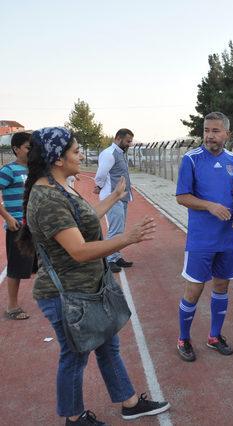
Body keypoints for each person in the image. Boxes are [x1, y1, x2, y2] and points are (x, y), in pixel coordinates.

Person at [20, 127, 169, 424]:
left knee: (108, 346)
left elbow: (84, 221)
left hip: (88, 288)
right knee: (75, 357)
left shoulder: (60, 186)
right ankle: (74, 419)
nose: (82, 156)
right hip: (68, 295)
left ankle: (128, 402)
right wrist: (128, 239)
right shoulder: (47, 197)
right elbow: (79, 250)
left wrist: (113, 197)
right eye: (76, 151)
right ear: (57, 159)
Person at [175, 112, 233, 361]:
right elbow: (181, 197)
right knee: (194, 289)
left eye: (216, 131)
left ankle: (214, 337)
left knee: (221, 286)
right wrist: (209, 206)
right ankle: (183, 338)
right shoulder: (191, 160)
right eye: (206, 130)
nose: (209, 136)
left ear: (227, 134)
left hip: (227, 238)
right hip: (201, 239)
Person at [0, 132, 36, 320]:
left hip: (34, 226)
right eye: (28, 148)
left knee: (38, 263)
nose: (31, 151)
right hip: (17, 228)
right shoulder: (9, 170)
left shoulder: (34, 169)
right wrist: (7, 217)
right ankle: (12, 307)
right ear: (16, 149)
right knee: (16, 267)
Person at [94, 129, 134, 273]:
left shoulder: (121, 153)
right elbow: (100, 175)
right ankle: (109, 259)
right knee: (115, 229)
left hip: (122, 198)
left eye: (131, 141)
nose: (130, 144)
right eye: (128, 141)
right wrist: (99, 186)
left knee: (120, 229)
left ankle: (116, 257)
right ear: (118, 138)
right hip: (112, 198)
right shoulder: (109, 154)